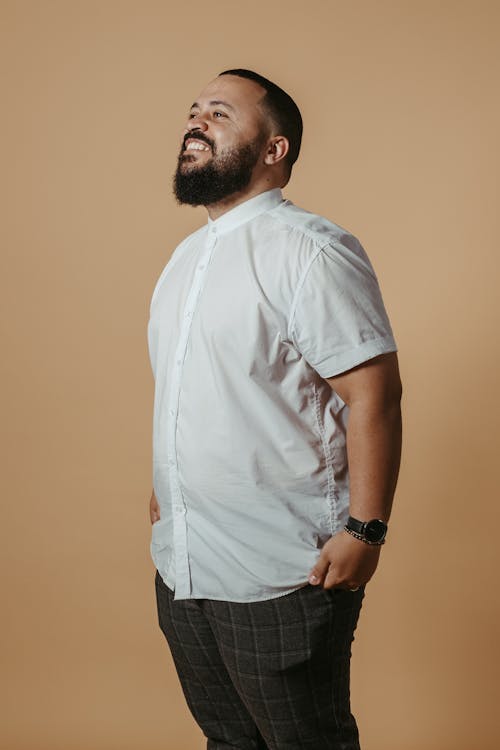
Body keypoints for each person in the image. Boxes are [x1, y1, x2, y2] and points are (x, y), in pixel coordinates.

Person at [147, 68, 402, 750]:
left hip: (281, 568)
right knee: (229, 741)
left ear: (274, 150)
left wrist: (367, 531)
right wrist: (167, 485)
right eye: (194, 109)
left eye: (221, 113)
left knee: (305, 741)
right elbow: (203, 387)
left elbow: (372, 391)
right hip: (186, 562)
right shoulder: (185, 259)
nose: (196, 120)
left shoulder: (311, 251)